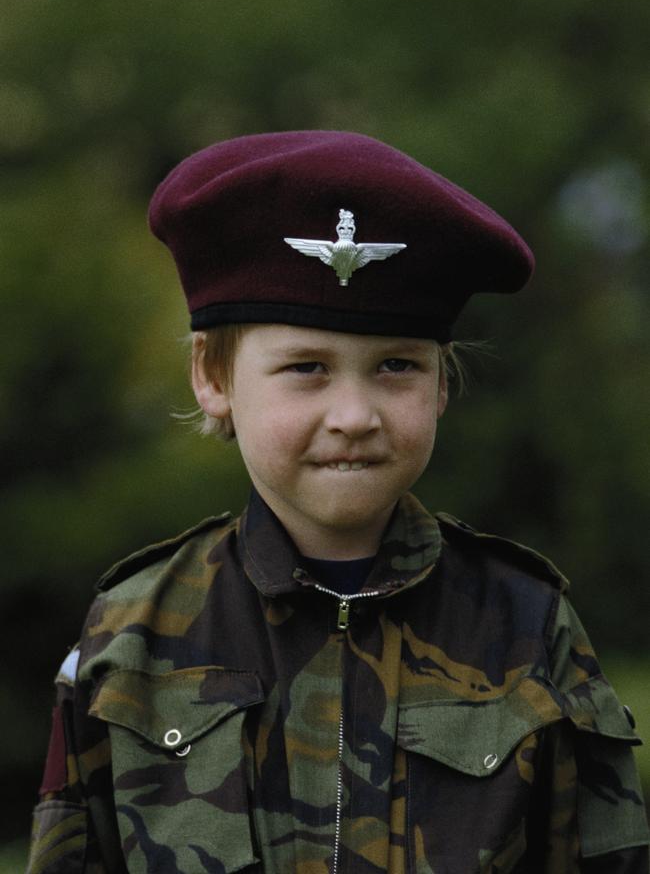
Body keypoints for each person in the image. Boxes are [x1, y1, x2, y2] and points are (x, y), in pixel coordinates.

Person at [27, 131, 648, 873]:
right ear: (212, 377)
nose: (354, 414)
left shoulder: (527, 627)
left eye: (396, 366)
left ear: (442, 384)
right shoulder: (132, 637)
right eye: (306, 367)